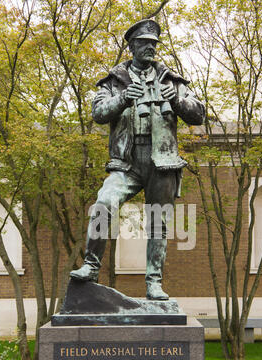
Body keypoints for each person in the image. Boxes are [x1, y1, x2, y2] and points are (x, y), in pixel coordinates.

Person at [70, 19, 205, 300]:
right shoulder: (114, 81)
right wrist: (121, 99)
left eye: (153, 44)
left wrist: (178, 101)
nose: (150, 48)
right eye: (144, 43)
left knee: (158, 223)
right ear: (131, 47)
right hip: (127, 162)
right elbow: (97, 113)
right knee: (104, 202)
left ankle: (154, 282)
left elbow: (198, 114)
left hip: (162, 161)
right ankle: (91, 266)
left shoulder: (171, 80)